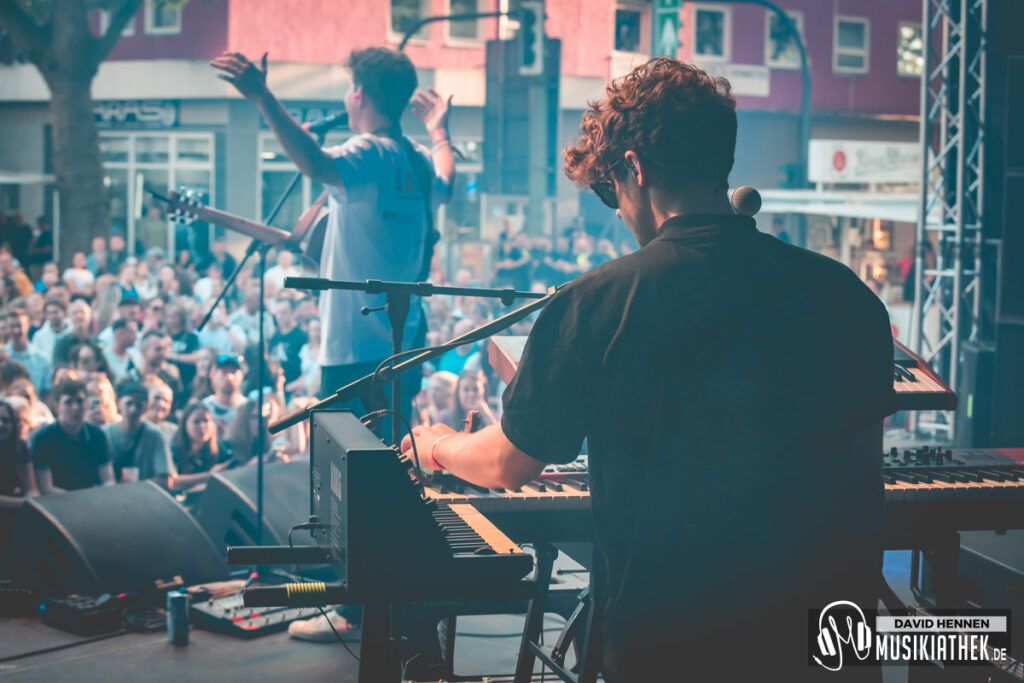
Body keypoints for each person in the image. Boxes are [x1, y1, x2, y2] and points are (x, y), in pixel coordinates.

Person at [401, 58, 895, 681]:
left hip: (672, 646)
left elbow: (507, 463)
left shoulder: (595, 303)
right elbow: (863, 486)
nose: (616, 210)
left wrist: (439, 446)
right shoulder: (847, 296)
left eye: (610, 190)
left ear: (634, 168)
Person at [211, 47, 455, 442]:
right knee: (392, 459)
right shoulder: (419, 161)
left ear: (358, 94)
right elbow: (448, 180)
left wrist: (263, 98)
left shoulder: (369, 152)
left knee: (345, 468)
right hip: (404, 346)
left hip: (351, 351)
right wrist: (439, 131)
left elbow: (315, 163)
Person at [31, 379, 114, 492]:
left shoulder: (98, 435)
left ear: (87, 404)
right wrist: (77, 498)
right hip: (58, 501)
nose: (75, 407)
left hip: (94, 498)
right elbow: (46, 488)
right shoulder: (43, 438)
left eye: (79, 401)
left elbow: (108, 479)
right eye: (68, 402)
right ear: (56, 407)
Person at [103, 381, 172, 486]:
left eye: (139, 405)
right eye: (129, 403)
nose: (133, 410)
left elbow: (165, 480)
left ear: (146, 407)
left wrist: (134, 486)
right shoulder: (105, 433)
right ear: (118, 403)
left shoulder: (154, 435)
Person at [168, 401, 230, 489]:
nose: (202, 426)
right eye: (196, 422)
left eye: (206, 421)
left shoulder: (220, 448)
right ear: (185, 425)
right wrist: (208, 476)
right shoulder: (174, 449)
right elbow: (171, 480)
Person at [5, 308, 51, 393]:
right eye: (12, 326)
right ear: (7, 327)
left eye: (19, 325)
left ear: (28, 325)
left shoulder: (41, 358)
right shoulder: (2, 358)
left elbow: (47, 392)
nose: (16, 331)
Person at [201, 353, 246, 441]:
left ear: (242, 376)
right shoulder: (204, 408)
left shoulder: (248, 408)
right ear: (213, 374)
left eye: (233, 372)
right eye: (224, 372)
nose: (229, 377)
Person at [135, 330, 185, 408]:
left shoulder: (171, 380)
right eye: (158, 349)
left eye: (164, 349)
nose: (162, 353)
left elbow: (177, 405)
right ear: (144, 351)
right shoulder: (130, 379)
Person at [269, 297, 307, 386]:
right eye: (278, 313)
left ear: (293, 313)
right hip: (277, 386)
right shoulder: (275, 336)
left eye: (284, 312)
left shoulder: (301, 336)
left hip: (295, 386)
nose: (280, 316)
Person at [52, 298, 95, 365]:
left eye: (82, 312)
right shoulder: (62, 344)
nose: (79, 316)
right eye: (75, 313)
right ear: (69, 317)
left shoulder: (96, 343)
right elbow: (58, 367)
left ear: (90, 315)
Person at [102, 317, 140, 383]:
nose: (136, 337)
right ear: (119, 334)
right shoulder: (104, 357)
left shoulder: (135, 355)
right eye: (132, 333)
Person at [144, 379, 177, 445]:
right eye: (157, 398)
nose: (161, 404)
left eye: (166, 401)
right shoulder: (134, 426)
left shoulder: (174, 432)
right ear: (147, 398)